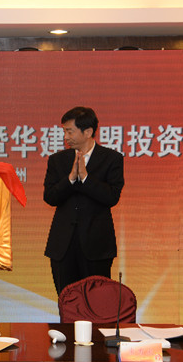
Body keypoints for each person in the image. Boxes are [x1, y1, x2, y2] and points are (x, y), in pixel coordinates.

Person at [43, 107, 124, 295]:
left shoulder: (112, 159)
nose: (66, 136)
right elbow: (50, 197)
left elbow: (111, 197)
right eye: (64, 131)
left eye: (70, 131)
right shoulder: (57, 160)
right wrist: (70, 179)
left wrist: (86, 178)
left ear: (87, 132)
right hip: (62, 247)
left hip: (97, 246)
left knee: (96, 301)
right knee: (67, 301)